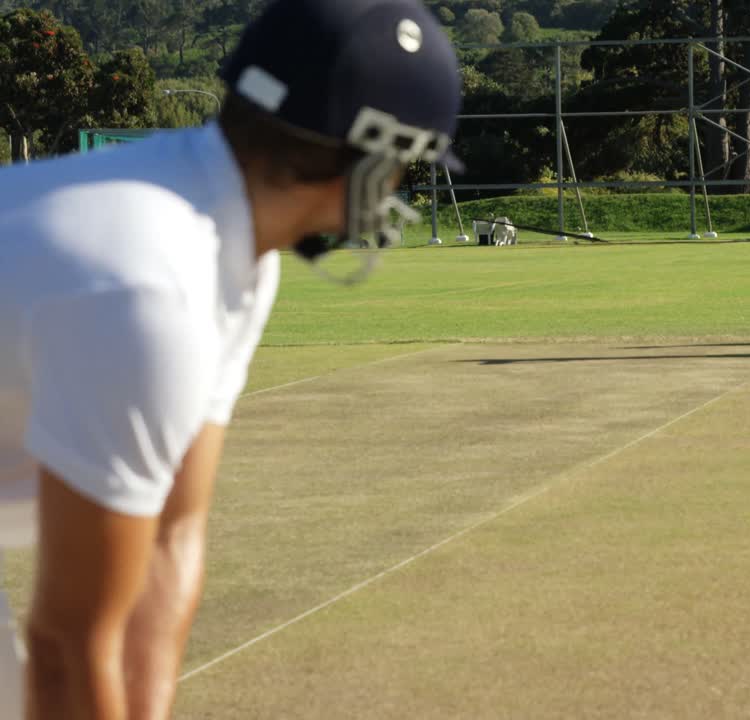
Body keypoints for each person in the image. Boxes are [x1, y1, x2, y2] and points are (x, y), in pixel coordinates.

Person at [0, 0, 462, 717]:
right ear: (374, 155)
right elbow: (65, 650)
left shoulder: (232, 252)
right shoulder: (150, 288)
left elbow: (170, 536)